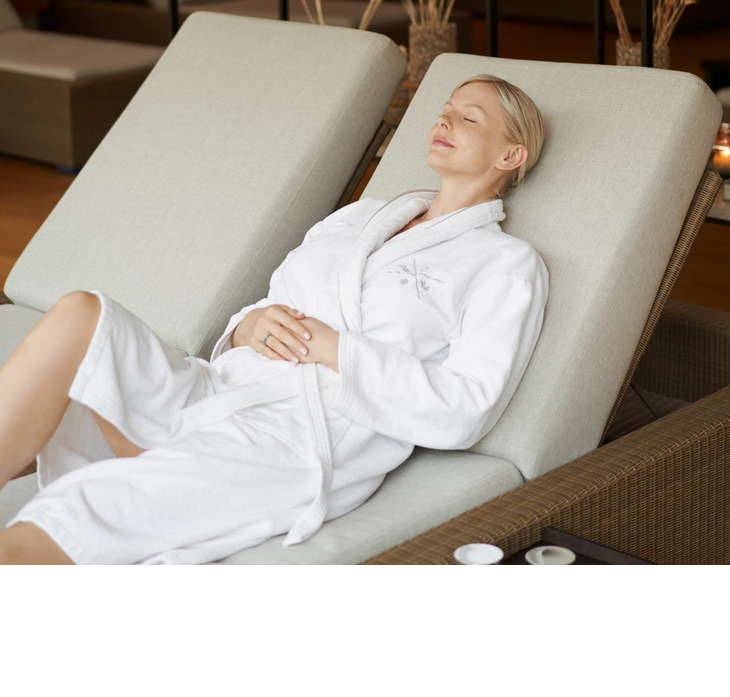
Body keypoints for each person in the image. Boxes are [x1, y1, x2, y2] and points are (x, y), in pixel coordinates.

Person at [0, 74, 548, 565]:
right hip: (222, 387)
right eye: (445, 109)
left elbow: (466, 408)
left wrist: (335, 348)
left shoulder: (504, 264)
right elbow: (274, 300)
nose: (444, 120)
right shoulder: (362, 216)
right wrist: (248, 325)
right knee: (83, 314)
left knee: (73, 514)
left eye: (468, 118)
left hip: (289, 439)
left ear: (510, 155)